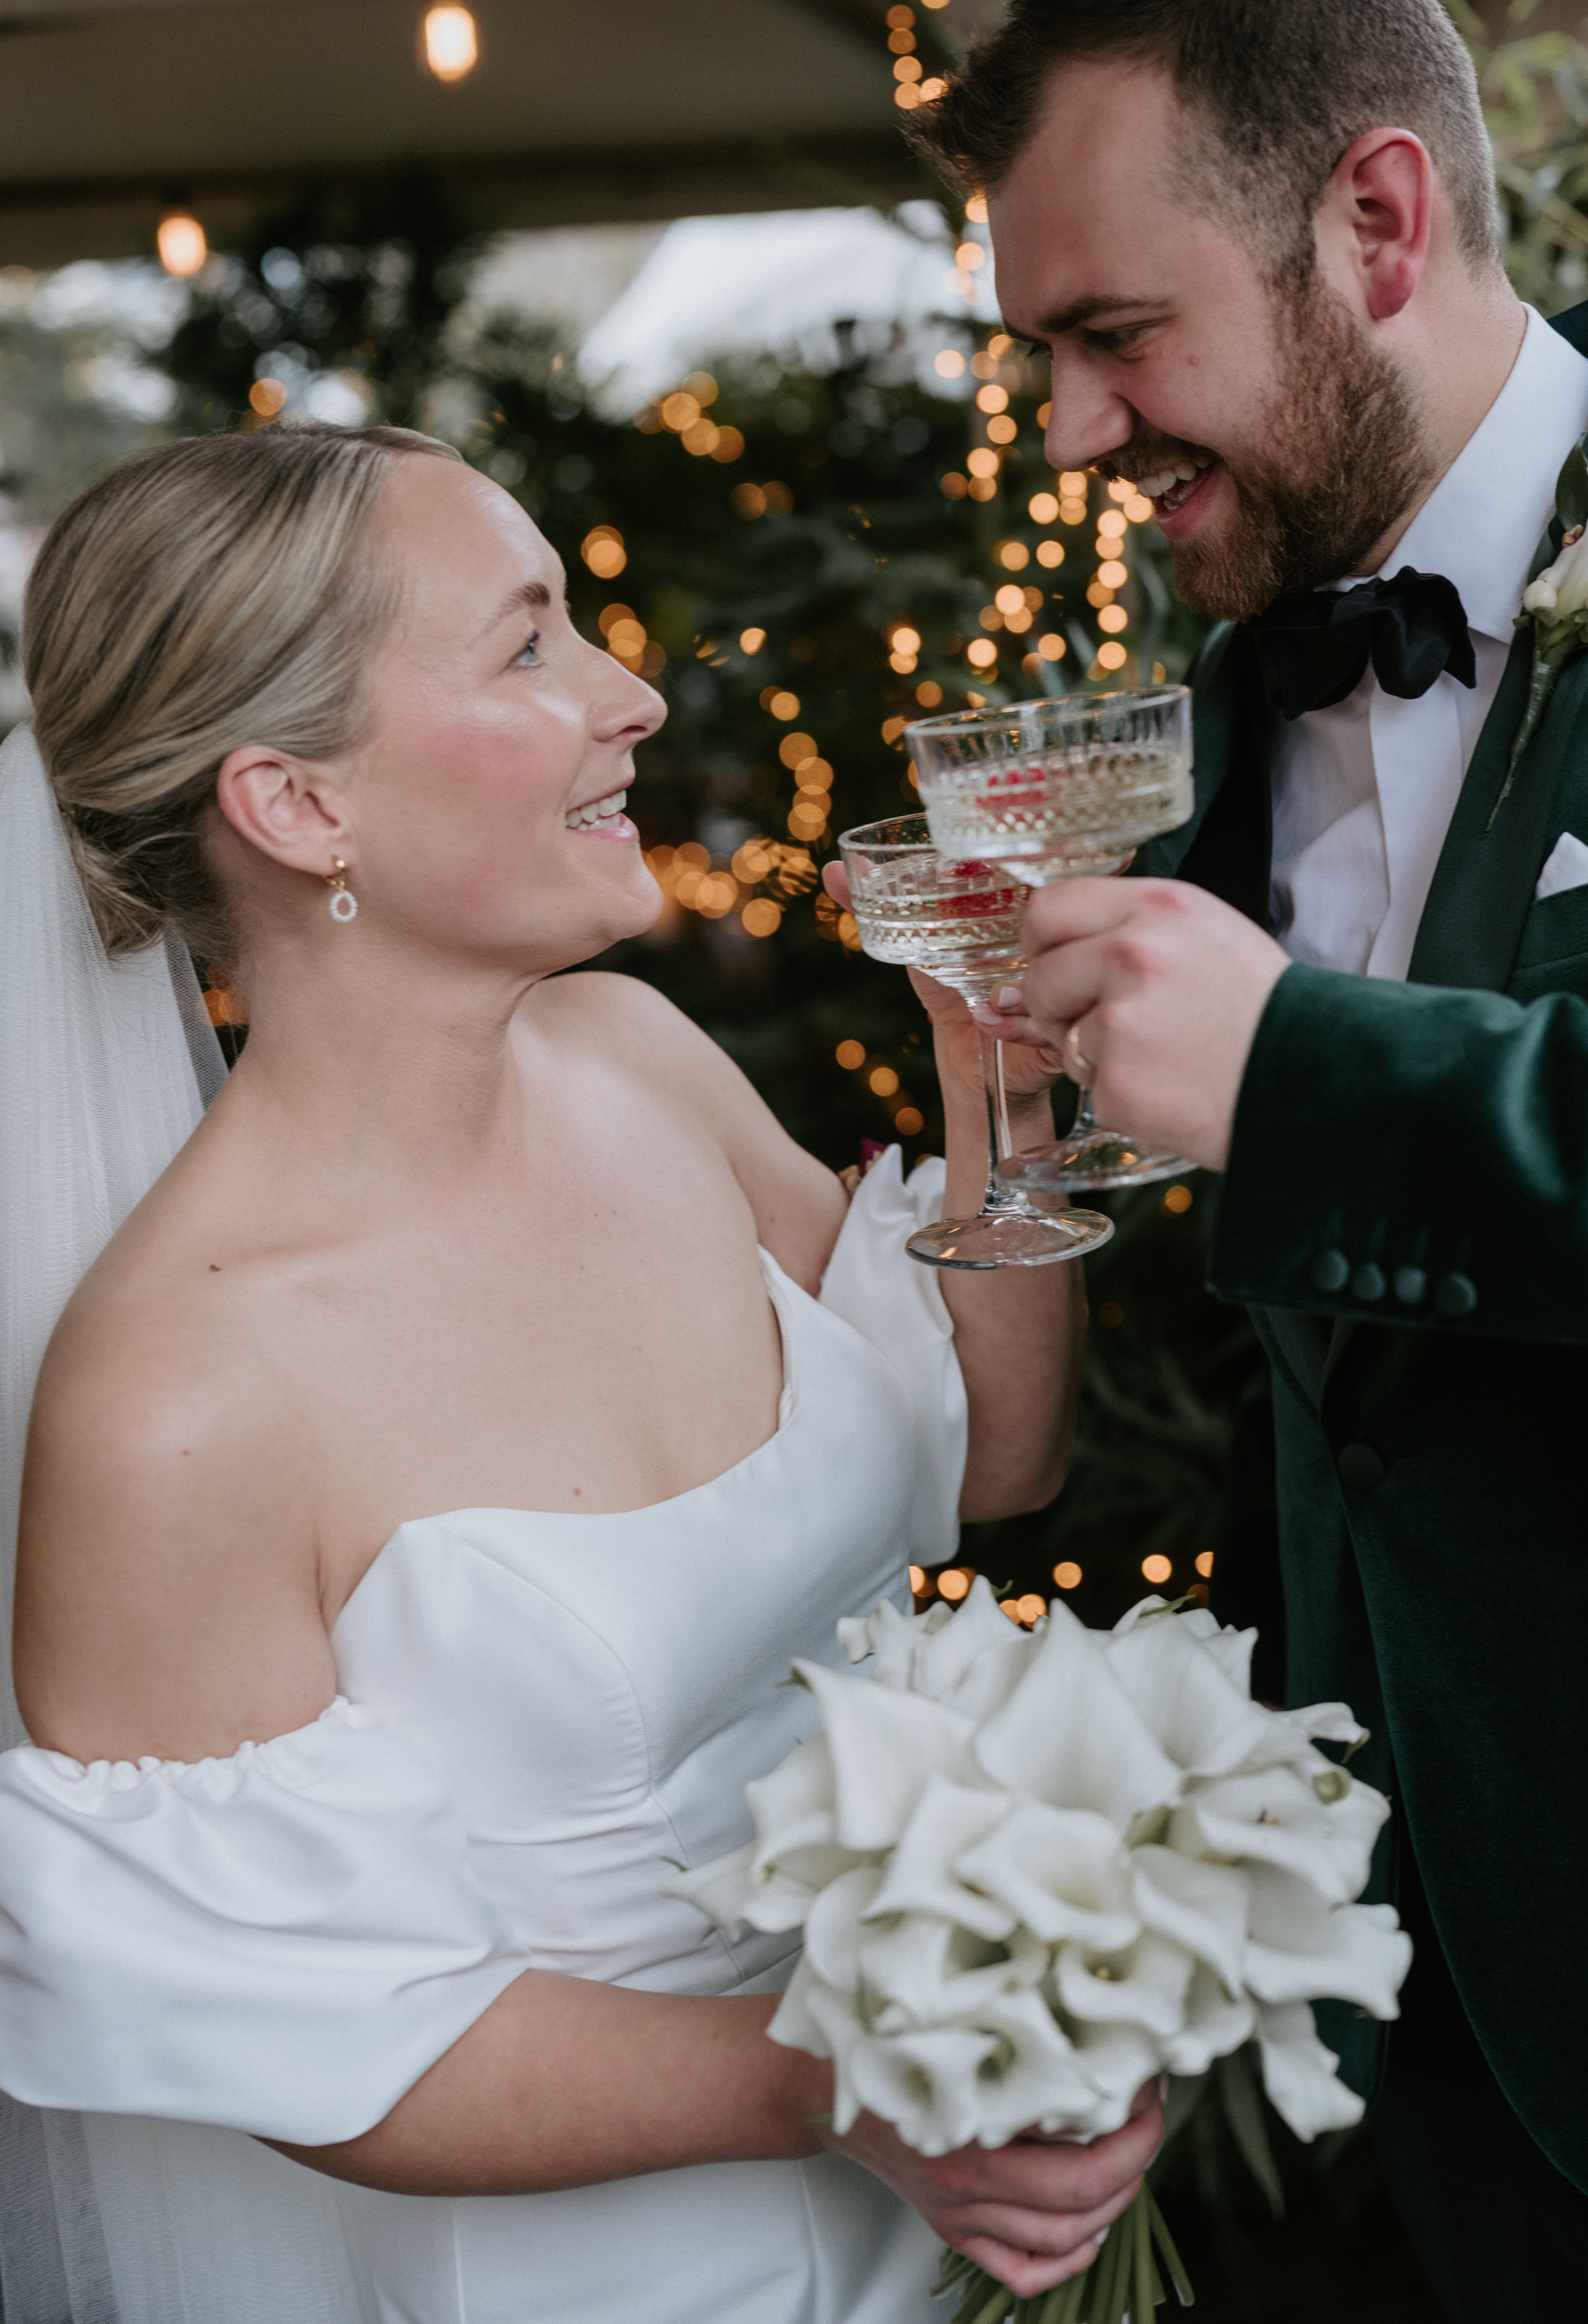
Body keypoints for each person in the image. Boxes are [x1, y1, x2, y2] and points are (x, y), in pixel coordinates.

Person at [920, 0, 1588, 2320]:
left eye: (1115, 337)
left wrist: (1312, 1084)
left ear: (1375, 220)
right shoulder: (1218, 701)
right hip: (1435, 2072)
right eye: (1041, 357)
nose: (1071, 434)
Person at [0, 423, 1161, 2324]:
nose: (633, 698)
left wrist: (996, 1075)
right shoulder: (173, 1403)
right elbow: (322, 2030)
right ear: (296, 806)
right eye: (528, 644)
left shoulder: (636, 1058)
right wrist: (843, 2082)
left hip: (951, 2206)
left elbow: (998, 1461)